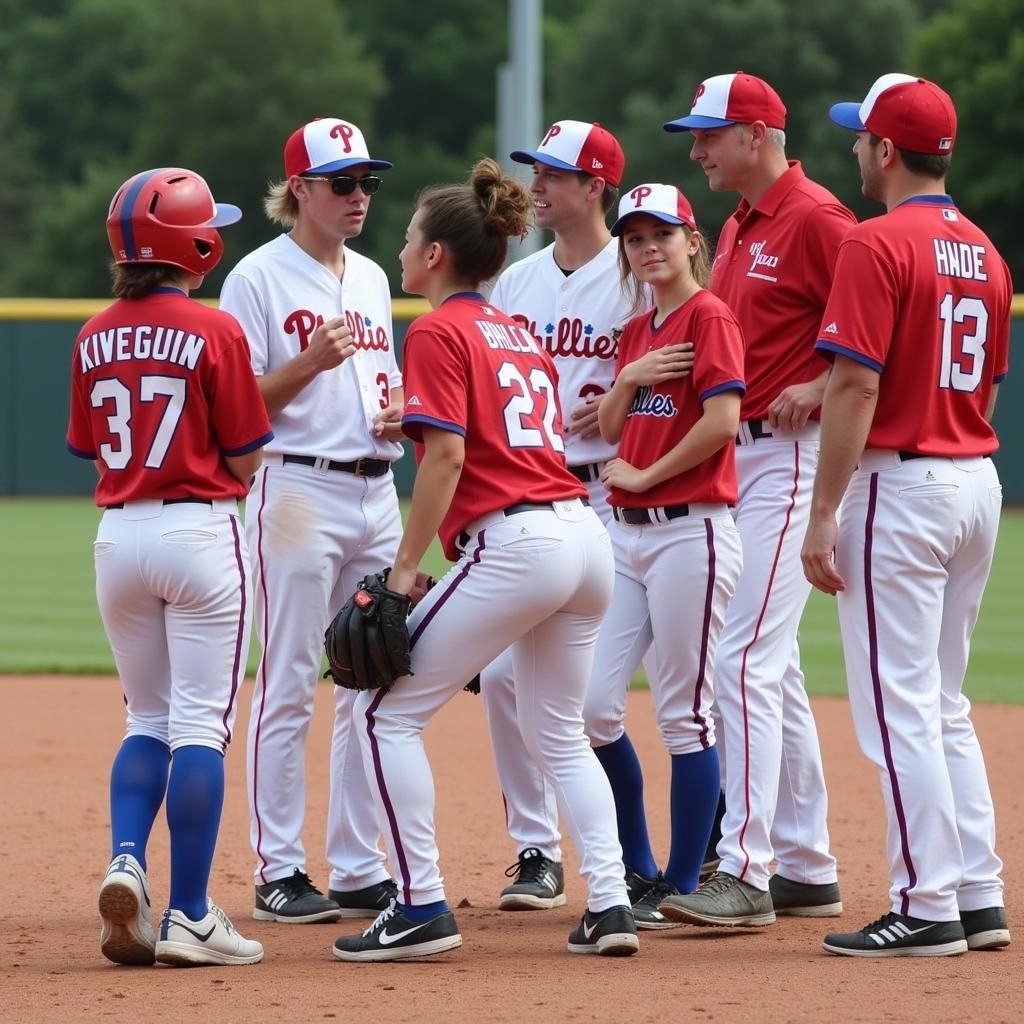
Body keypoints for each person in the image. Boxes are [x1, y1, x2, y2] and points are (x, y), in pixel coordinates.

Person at [333, 158, 637, 962]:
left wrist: (403, 569)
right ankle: (609, 904)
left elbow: (447, 462)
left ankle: (420, 904)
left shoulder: (435, 327)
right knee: (561, 732)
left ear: (436, 256)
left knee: (379, 714)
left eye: (409, 239)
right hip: (582, 533)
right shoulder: (517, 330)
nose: (402, 249)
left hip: (519, 542)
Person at [802, 73, 1011, 957]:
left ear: (888, 152)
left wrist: (823, 511)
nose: (855, 149)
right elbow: (992, 383)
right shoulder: (991, 253)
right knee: (944, 703)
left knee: (899, 713)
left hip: (904, 484)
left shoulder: (876, 242)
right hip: (976, 480)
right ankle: (978, 894)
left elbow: (855, 383)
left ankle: (927, 907)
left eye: (861, 138)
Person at [479, 120, 688, 922]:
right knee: (502, 677)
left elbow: (686, 378)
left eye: (553, 174)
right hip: (531, 490)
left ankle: (685, 853)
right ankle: (537, 849)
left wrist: (631, 406)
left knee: (651, 689)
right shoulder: (519, 282)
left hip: (614, 492)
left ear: (594, 186)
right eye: (536, 170)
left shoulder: (636, 272)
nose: (537, 184)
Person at [658, 71, 851, 927]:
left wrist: (821, 378)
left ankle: (746, 869)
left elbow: (887, 327)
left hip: (792, 458)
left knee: (740, 660)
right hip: (743, 463)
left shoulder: (818, 218)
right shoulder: (736, 224)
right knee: (775, 672)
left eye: (709, 134)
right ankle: (806, 863)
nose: (696, 148)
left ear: (758, 136)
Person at [68, 167, 271, 966]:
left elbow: (89, 446)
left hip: (118, 537)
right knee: (200, 728)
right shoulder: (217, 329)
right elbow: (249, 453)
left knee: (144, 719)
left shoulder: (90, 333)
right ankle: (190, 914)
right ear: (198, 244)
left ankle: (127, 859)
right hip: (199, 531)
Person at [219, 117, 403, 925]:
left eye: (367, 182)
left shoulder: (368, 278)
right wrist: (307, 365)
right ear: (299, 189)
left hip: (376, 490)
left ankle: (360, 867)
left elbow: (377, 384)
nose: (359, 195)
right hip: (295, 491)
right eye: (343, 182)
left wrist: (399, 415)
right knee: (291, 679)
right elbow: (237, 406)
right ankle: (278, 871)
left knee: (376, 674)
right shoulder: (256, 278)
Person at [575, 183, 745, 926]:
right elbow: (611, 424)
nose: (648, 247)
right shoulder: (641, 329)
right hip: (628, 535)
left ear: (693, 241)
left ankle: (683, 883)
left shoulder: (710, 316)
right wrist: (632, 377)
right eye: (635, 237)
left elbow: (723, 420)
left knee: (685, 714)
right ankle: (640, 865)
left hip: (690, 530)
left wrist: (646, 474)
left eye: (662, 234)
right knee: (592, 708)